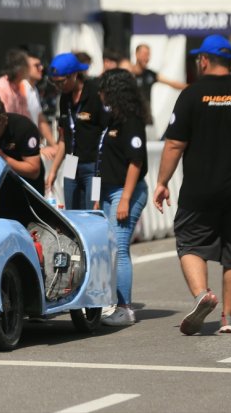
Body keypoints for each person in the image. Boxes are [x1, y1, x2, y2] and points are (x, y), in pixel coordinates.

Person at [152, 34, 231, 335]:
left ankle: (203, 295)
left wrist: (162, 181)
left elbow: (174, 145)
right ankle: (229, 318)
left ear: (204, 60)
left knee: (189, 241)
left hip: (199, 188)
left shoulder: (190, 94)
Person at [94, 69, 150, 326]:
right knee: (107, 247)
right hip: (107, 190)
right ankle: (111, 301)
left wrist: (125, 199)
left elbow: (135, 161)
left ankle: (125, 308)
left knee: (119, 247)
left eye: (104, 88)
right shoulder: (112, 121)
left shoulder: (131, 121)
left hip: (126, 191)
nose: (100, 93)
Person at [46, 53, 106, 209]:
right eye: (55, 83)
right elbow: (63, 138)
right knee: (72, 213)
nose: (59, 87)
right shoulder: (64, 99)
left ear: (74, 74)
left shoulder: (95, 94)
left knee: (92, 214)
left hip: (93, 167)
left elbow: (106, 134)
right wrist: (53, 171)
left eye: (61, 82)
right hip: (71, 166)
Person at [0, 96, 44, 193]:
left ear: (5, 121)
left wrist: (1, 157)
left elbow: (34, 171)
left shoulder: (23, 128)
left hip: (27, 187)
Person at [131, 44, 188, 122]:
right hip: (130, 116)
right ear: (136, 54)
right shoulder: (128, 73)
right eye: (144, 54)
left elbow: (172, 83)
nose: (147, 58)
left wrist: (192, 87)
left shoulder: (150, 74)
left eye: (148, 55)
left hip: (145, 117)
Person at [0, 48, 31, 118]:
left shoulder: (19, 86)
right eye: (27, 65)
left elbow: (26, 116)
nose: (29, 68)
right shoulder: (0, 88)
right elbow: (4, 117)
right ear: (20, 69)